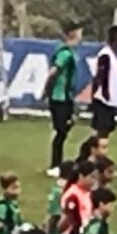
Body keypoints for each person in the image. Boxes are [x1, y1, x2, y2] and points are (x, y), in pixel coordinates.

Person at [45, 23, 83, 169]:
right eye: (80, 33)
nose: (81, 36)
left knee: (65, 127)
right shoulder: (65, 53)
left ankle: (57, 162)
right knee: (61, 130)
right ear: (73, 34)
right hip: (59, 97)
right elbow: (53, 71)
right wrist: (47, 89)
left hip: (66, 96)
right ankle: (55, 165)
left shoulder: (71, 52)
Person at [85, 26, 117, 142]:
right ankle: (90, 155)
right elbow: (98, 77)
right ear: (116, 38)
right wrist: (97, 97)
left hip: (111, 100)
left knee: (106, 131)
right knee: (101, 132)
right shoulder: (105, 55)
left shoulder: (113, 56)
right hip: (103, 100)